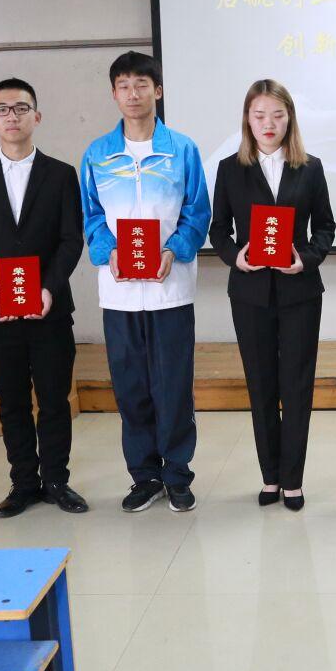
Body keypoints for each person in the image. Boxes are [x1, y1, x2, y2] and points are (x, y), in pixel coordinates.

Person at [80, 50, 210, 514]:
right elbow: (91, 215)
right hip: (119, 293)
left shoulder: (182, 150)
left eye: (141, 84)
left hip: (170, 289)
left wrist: (174, 249)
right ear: (114, 93)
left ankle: (177, 474)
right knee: (130, 387)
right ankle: (144, 475)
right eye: (123, 85)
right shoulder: (98, 155)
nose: (132, 94)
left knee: (173, 385)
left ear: (158, 90)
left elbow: (198, 211)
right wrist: (109, 251)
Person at [0, 77, 87, 519]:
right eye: (2, 109)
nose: (11, 116)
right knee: (11, 402)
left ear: (37, 116)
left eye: (20, 108)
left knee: (54, 400)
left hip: (50, 309)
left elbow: (71, 240)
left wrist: (48, 287)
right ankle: (23, 483)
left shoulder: (61, 174)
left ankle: (57, 481)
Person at [208, 79, 335, 510]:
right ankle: (270, 476)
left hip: (300, 291)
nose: (269, 123)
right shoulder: (230, 168)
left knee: (297, 385)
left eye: (278, 115)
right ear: (247, 119)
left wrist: (306, 258)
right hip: (250, 293)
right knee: (260, 384)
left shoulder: (310, 167)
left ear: (289, 119)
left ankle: (293, 479)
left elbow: (325, 227)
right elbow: (218, 230)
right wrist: (236, 257)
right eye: (260, 115)